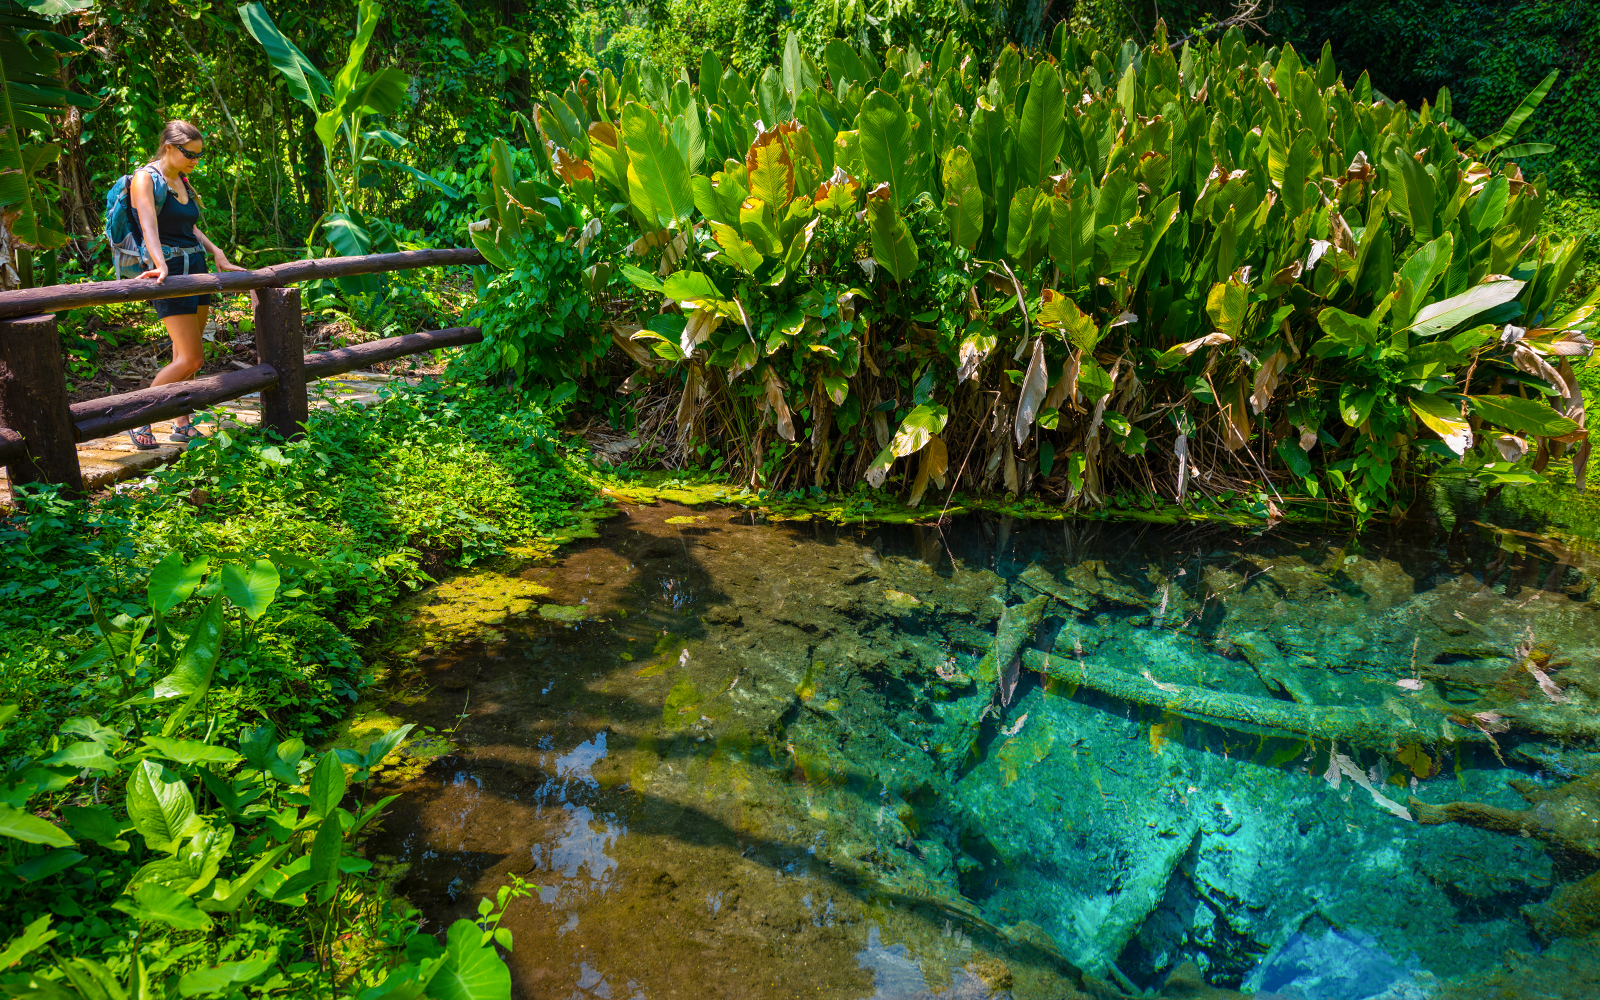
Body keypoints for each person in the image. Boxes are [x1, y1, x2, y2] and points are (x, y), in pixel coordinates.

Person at [124, 120, 248, 449]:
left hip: (197, 265)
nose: (196, 160)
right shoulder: (144, 179)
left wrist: (216, 251)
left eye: (199, 155)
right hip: (172, 270)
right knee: (192, 359)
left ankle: (181, 422)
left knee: (185, 353)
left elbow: (188, 226)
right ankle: (139, 416)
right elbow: (148, 223)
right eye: (190, 154)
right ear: (169, 147)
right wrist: (159, 263)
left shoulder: (181, 179)